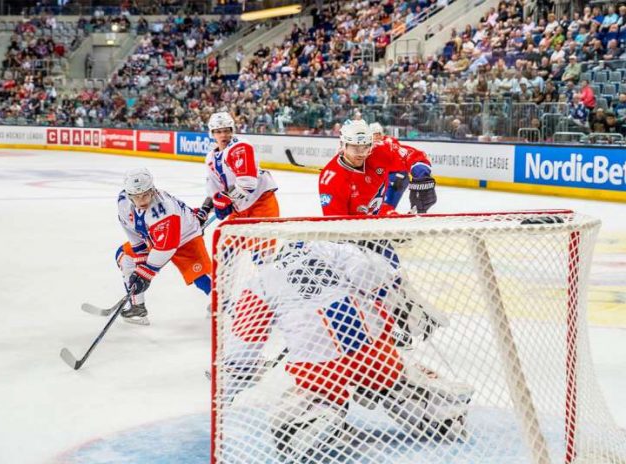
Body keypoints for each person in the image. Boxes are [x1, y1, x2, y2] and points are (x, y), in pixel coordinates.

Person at [222, 240, 473, 461]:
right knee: (396, 379)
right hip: (371, 348)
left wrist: (234, 379)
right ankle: (439, 411)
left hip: (317, 363)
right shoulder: (329, 249)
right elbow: (371, 274)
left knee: (312, 395)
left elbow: (243, 344)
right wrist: (400, 304)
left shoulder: (260, 282)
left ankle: (310, 418)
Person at [116, 168, 212, 324]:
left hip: (185, 235)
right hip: (154, 236)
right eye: (137, 197)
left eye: (146, 195)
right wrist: (140, 258)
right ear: (128, 195)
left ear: (152, 190)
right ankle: (137, 308)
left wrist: (146, 274)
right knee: (125, 257)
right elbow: (129, 226)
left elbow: (166, 247)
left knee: (201, 277)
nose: (142, 201)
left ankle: (226, 305)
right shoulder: (123, 201)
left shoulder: (165, 210)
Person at [318, 121, 436, 217]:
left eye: (365, 147)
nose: (361, 154)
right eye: (355, 148)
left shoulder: (378, 150)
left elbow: (413, 156)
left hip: (374, 225)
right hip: (353, 236)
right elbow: (337, 230)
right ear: (343, 145)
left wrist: (422, 177)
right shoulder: (331, 180)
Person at [200, 111, 279, 223]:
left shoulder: (240, 146)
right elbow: (215, 191)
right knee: (227, 240)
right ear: (212, 134)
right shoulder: (210, 158)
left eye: (226, 130)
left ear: (232, 131)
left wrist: (225, 200)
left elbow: (247, 184)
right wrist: (205, 210)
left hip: (260, 202)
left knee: (262, 239)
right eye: (218, 131)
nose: (223, 135)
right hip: (238, 207)